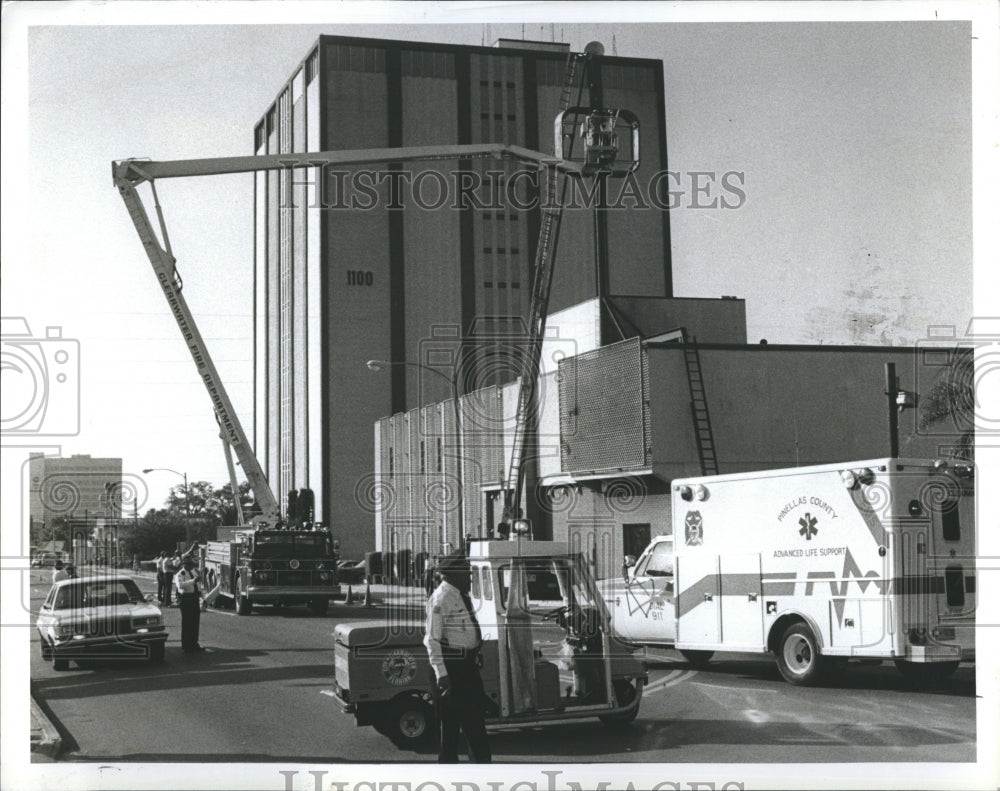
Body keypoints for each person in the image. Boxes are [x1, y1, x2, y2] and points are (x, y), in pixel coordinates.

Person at [424, 553, 491, 763]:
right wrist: (442, 674)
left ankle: (483, 769)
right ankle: (449, 772)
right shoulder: (441, 598)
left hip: (466, 666)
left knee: (475, 723)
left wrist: (473, 652)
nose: (469, 576)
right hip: (451, 669)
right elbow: (432, 639)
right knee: (449, 729)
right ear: (452, 575)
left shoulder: (460, 594)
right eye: (465, 572)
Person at [174, 556, 203, 652]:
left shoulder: (193, 572)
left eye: (191, 564)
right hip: (186, 599)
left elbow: (198, 585)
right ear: (184, 564)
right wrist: (193, 581)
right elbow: (180, 585)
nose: (191, 566)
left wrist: (202, 596)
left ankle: (194, 643)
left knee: (195, 622)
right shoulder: (180, 574)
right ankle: (186, 645)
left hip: (194, 598)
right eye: (189, 564)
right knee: (187, 622)